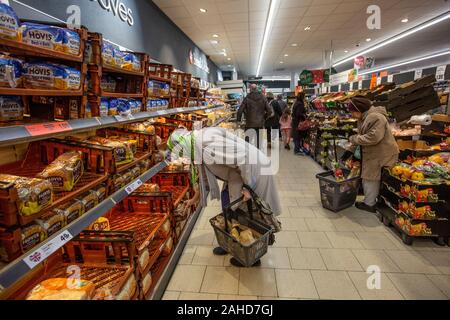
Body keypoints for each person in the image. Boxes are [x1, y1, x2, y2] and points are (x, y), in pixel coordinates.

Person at [167, 127, 281, 267]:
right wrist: (193, 200)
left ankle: (251, 255)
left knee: (250, 214)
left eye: (180, 152)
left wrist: (247, 188)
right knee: (230, 205)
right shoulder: (197, 145)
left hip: (252, 172)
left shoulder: (206, 145)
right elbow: (205, 179)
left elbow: (243, 158)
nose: (182, 156)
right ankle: (231, 242)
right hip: (237, 174)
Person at [348, 96, 399, 213]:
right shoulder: (364, 118)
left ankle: (370, 204)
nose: (351, 114)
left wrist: (354, 139)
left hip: (383, 153)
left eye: (352, 112)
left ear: (359, 109)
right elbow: (363, 134)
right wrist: (350, 150)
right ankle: (370, 201)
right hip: (374, 152)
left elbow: (373, 137)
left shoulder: (375, 117)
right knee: (369, 177)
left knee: (370, 178)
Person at [237, 84, 274, 149]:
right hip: (259, 124)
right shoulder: (263, 97)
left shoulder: (247, 98)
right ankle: (257, 157)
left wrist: (238, 121)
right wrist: (264, 117)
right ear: (256, 89)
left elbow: (240, 110)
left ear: (250, 89)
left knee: (247, 144)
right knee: (258, 144)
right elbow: (270, 111)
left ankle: (248, 157)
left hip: (249, 124)